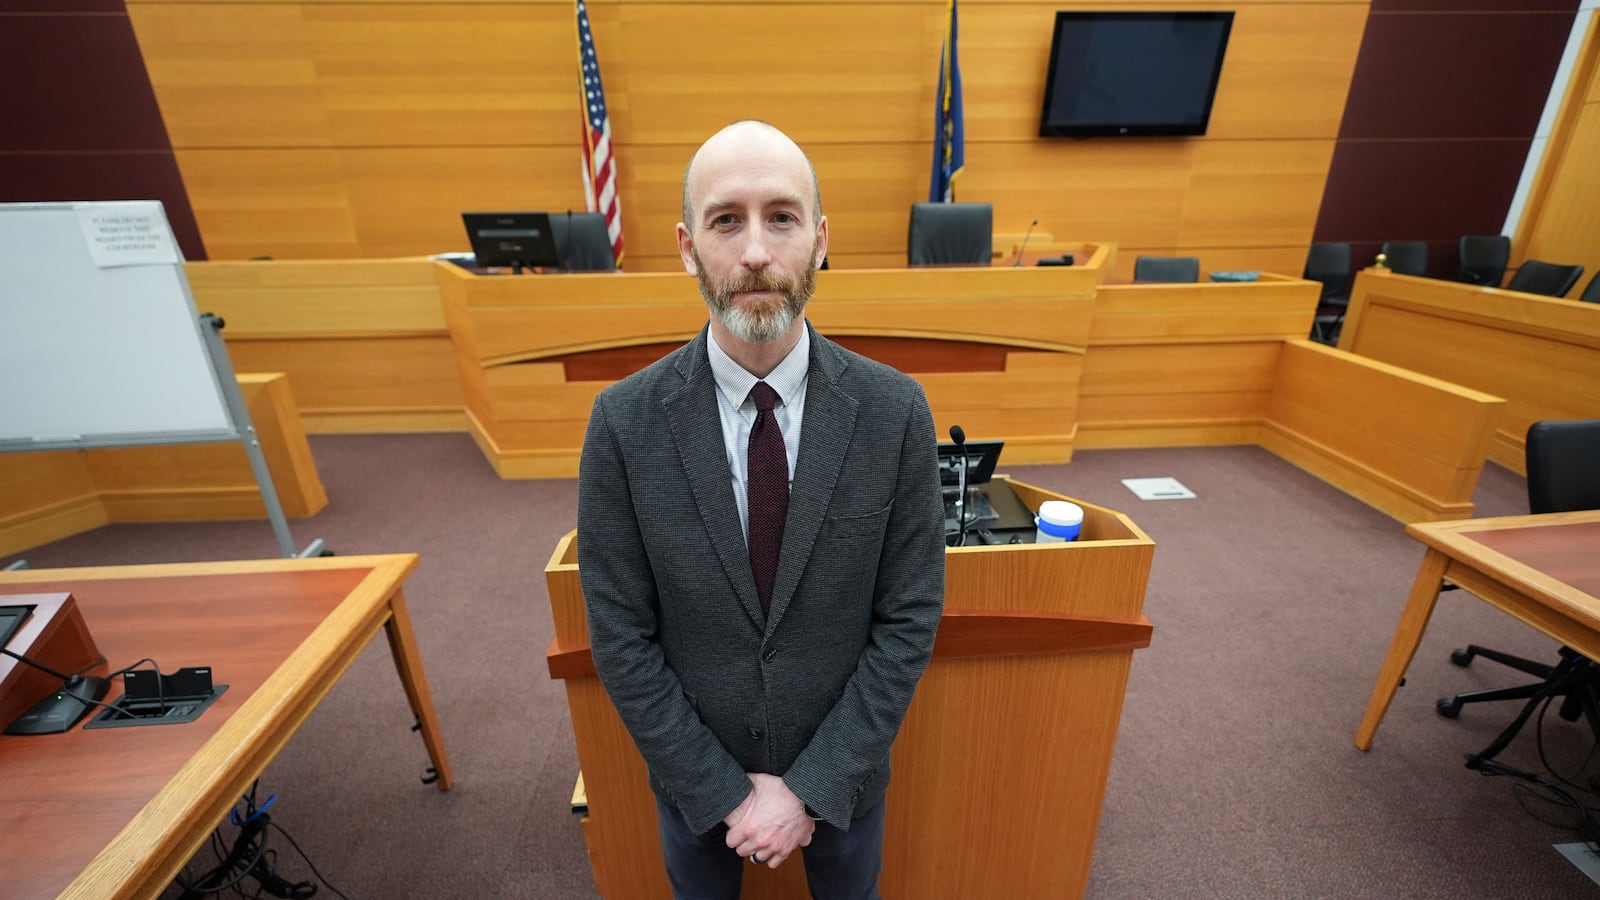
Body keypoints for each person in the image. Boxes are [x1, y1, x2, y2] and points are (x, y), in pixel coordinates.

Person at [576, 120, 946, 900]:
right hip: (692, 779)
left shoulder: (896, 411)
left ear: (819, 240)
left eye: (780, 217)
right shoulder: (622, 423)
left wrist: (811, 787)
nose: (753, 252)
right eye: (725, 220)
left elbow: (909, 617)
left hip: (845, 775)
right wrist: (722, 791)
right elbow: (619, 634)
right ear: (686, 247)